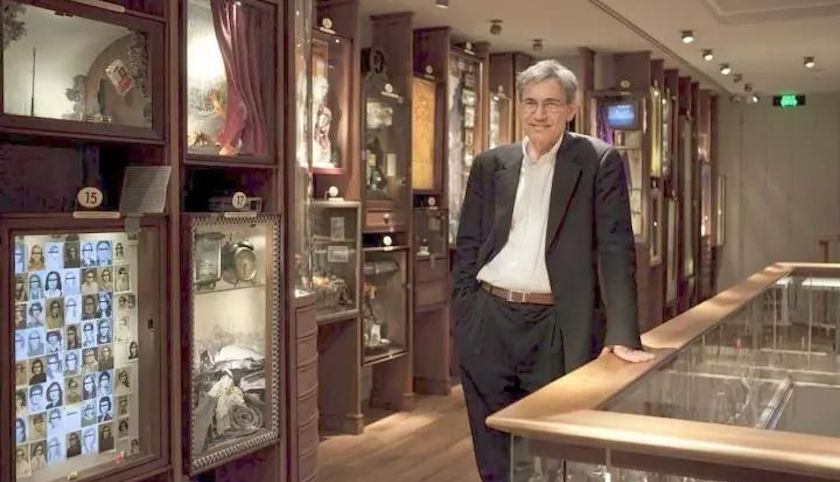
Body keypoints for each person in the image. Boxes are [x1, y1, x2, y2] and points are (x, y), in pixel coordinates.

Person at [451, 60, 654, 481]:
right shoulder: (490, 164)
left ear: (571, 109)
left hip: (556, 325)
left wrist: (621, 333)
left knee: (553, 449)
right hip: (489, 320)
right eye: (530, 103)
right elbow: (468, 245)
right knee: (493, 448)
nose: (539, 114)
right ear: (520, 107)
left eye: (551, 103)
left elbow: (616, 249)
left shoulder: (598, 161)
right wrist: (465, 315)